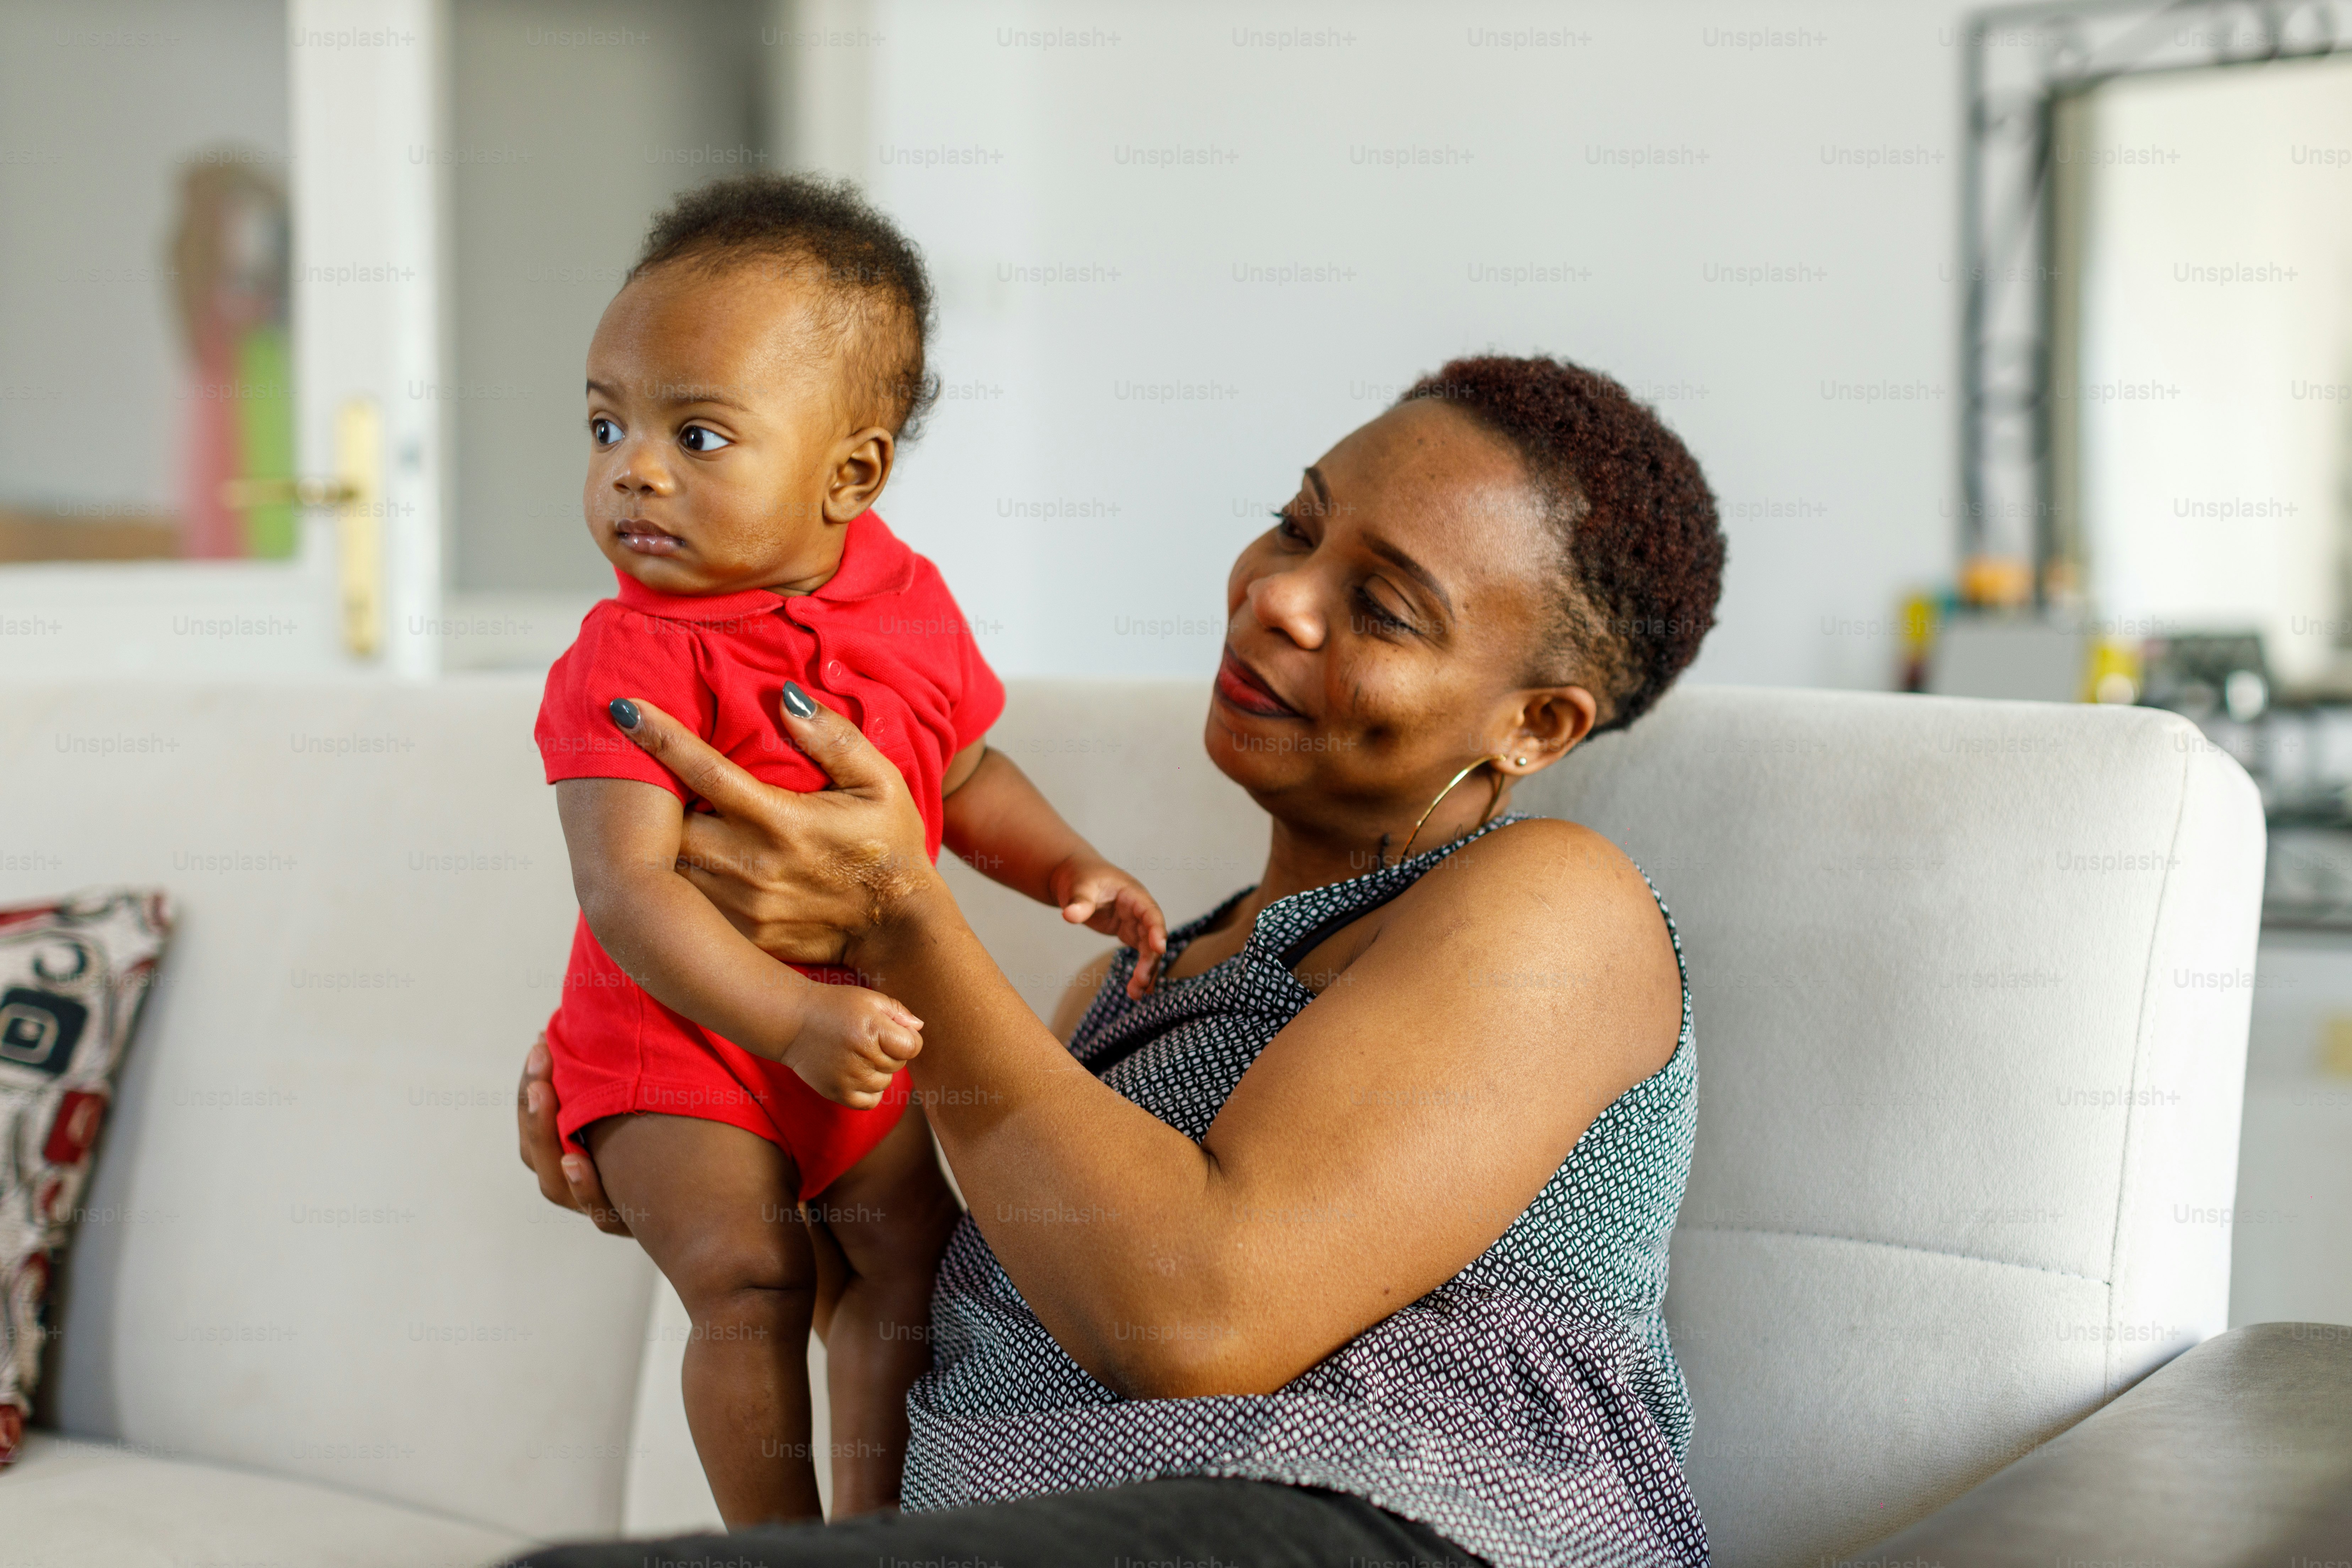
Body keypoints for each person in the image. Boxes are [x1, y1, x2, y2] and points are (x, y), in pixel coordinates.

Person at [514, 354, 1728, 1568]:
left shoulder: (1552, 901)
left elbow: (1195, 1320)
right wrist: (690, 1130)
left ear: (1536, 724)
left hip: (1386, 1517)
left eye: (1382, 608)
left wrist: (899, 914)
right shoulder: (1117, 991)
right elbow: (980, 1322)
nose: (1278, 599)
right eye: (1292, 528)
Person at [533, 174, 1167, 1525]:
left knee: (909, 1266)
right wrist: (790, 1020)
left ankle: (876, 1540)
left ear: (852, 472)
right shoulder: (626, 655)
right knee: (750, 1275)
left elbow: (967, 769)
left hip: (855, 1035)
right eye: (606, 423)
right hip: (674, 1038)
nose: (633, 467)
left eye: (697, 434)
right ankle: (779, 1548)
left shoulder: (910, 601)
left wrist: (1066, 867)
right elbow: (627, 887)